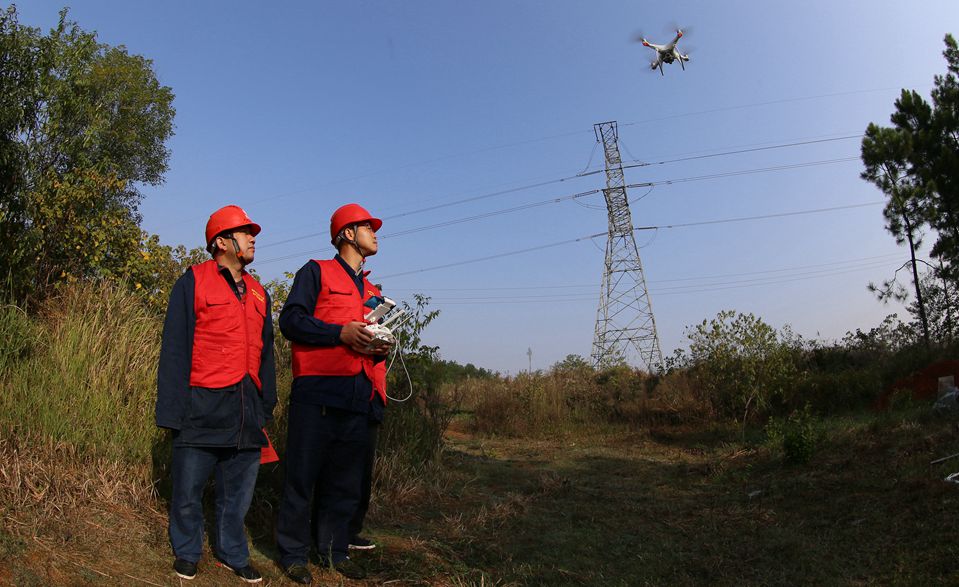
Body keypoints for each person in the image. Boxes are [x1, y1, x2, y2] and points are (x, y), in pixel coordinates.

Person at [155, 205, 276, 583]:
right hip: (201, 404)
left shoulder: (259, 292)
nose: (252, 236)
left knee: (237, 493)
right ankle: (188, 552)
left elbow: (266, 352)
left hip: (245, 407)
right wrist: (172, 411)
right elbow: (175, 348)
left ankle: (232, 553)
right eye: (244, 231)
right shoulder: (192, 281)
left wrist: (265, 403)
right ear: (221, 241)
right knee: (188, 490)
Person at [275, 203, 391, 584]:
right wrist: (338, 332)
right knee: (302, 477)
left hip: (359, 394)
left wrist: (379, 347)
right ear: (345, 234)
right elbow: (290, 320)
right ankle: (292, 554)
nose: (375, 233)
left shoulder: (373, 291)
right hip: (318, 391)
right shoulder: (316, 272)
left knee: (344, 481)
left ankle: (333, 551)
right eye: (366, 227)